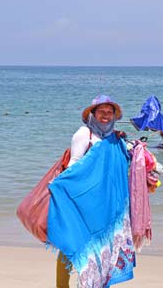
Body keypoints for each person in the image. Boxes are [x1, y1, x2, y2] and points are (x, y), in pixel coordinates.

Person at [52, 95, 131, 288]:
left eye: (109, 112)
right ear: (93, 114)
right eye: (101, 112)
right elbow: (74, 165)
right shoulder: (84, 134)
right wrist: (62, 188)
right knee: (73, 243)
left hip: (104, 202)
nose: (105, 116)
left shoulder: (114, 138)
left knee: (103, 245)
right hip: (84, 201)